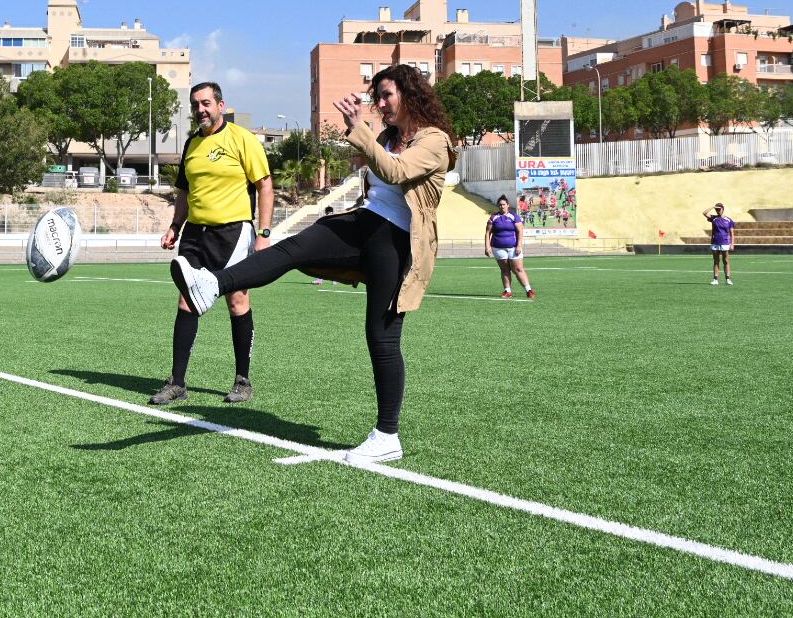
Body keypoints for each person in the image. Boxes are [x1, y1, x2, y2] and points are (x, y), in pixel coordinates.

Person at [168, 64, 455, 465]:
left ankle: (387, 435)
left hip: (396, 242)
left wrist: (361, 130)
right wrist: (364, 132)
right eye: (378, 97)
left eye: (387, 95)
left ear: (410, 95)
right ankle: (212, 285)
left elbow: (396, 171)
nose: (381, 104)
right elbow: (376, 171)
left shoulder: (435, 140)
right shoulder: (388, 135)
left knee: (381, 338)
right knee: (291, 249)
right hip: (364, 223)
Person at [150, 81, 273, 407]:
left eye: (206, 103)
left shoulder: (242, 139)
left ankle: (242, 380)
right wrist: (175, 226)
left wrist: (263, 234)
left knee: (237, 301)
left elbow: (265, 186)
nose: (200, 110)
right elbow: (184, 193)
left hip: (233, 233)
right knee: (186, 302)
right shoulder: (192, 144)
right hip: (195, 234)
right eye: (195, 105)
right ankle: (177, 382)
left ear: (220, 104)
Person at [484, 194, 534, 299]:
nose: (502, 206)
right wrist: (487, 247)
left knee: (518, 269)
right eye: (500, 205)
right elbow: (488, 233)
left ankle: (529, 290)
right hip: (498, 247)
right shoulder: (494, 217)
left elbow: (520, 231)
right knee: (504, 269)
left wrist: (519, 245)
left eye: (503, 204)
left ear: (508, 205)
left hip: (513, 247)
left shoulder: (514, 216)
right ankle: (508, 291)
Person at [703, 202, 735, 285]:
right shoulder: (713, 218)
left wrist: (732, 244)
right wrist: (713, 207)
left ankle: (728, 279)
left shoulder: (728, 220)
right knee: (716, 261)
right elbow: (704, 213)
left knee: (726, 260)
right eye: (716, 209)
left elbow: (731, 233)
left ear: (723, 209)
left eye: (719, 209)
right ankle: (715, 279)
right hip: (715, 242)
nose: (718, 211)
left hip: (725, 242)